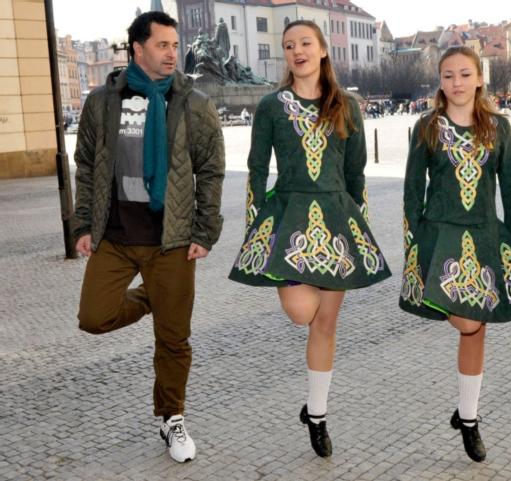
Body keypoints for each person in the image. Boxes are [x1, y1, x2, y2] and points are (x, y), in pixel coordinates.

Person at [228, 20, 391, 458]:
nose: (296, 51)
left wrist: (359, 227)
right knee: (302, 312)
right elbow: (256, 168)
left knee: (326, 324)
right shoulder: (271, 106)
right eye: (288, 46)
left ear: (322, 50)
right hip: (289, 219)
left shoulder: (347, 106)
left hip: (337, 222)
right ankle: (315, 408)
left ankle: (316, 414)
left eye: (304, 43)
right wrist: (256, 227)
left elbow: (356, 173)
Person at [72, 11, 225, 463]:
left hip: (171, 240)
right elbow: (87, 166)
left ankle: (171, 417)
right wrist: (83, 224)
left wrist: (205, 230)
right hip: (116, 237)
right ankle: (153, 298)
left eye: (175, 45)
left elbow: (211, 170)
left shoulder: (193, 103)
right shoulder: (102, 102)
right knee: (94, 316)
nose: (172, 53)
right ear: (138, 49)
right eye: (162, 45)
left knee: (174, 340)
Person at [401, 46, 511, 463]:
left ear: (480, 78)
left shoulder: (497, 128)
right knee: (467, 321)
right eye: (448, 75)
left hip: (483, 237)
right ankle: (467, 412)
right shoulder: (426, 126)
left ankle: (469, 416)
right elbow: (412, 191)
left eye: (464, 74)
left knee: (475, 327)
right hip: (439, 237)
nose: (456, 82)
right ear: (440, 81)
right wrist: (414, 247)